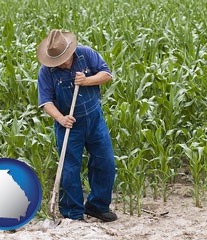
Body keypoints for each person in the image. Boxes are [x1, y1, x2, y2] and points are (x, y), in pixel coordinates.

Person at [36, 29, 117, 222]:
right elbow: (45, 101)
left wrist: (87, 80)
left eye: (63, 58)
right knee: (70, 169)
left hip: (94, 119)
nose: (62, 63)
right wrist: (61, 118)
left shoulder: (86, 54)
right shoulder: (46, 72)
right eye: (57, 60)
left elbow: (107, 75)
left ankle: (97, 206)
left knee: (105, 162)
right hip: (69, 125)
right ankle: (73, 212)